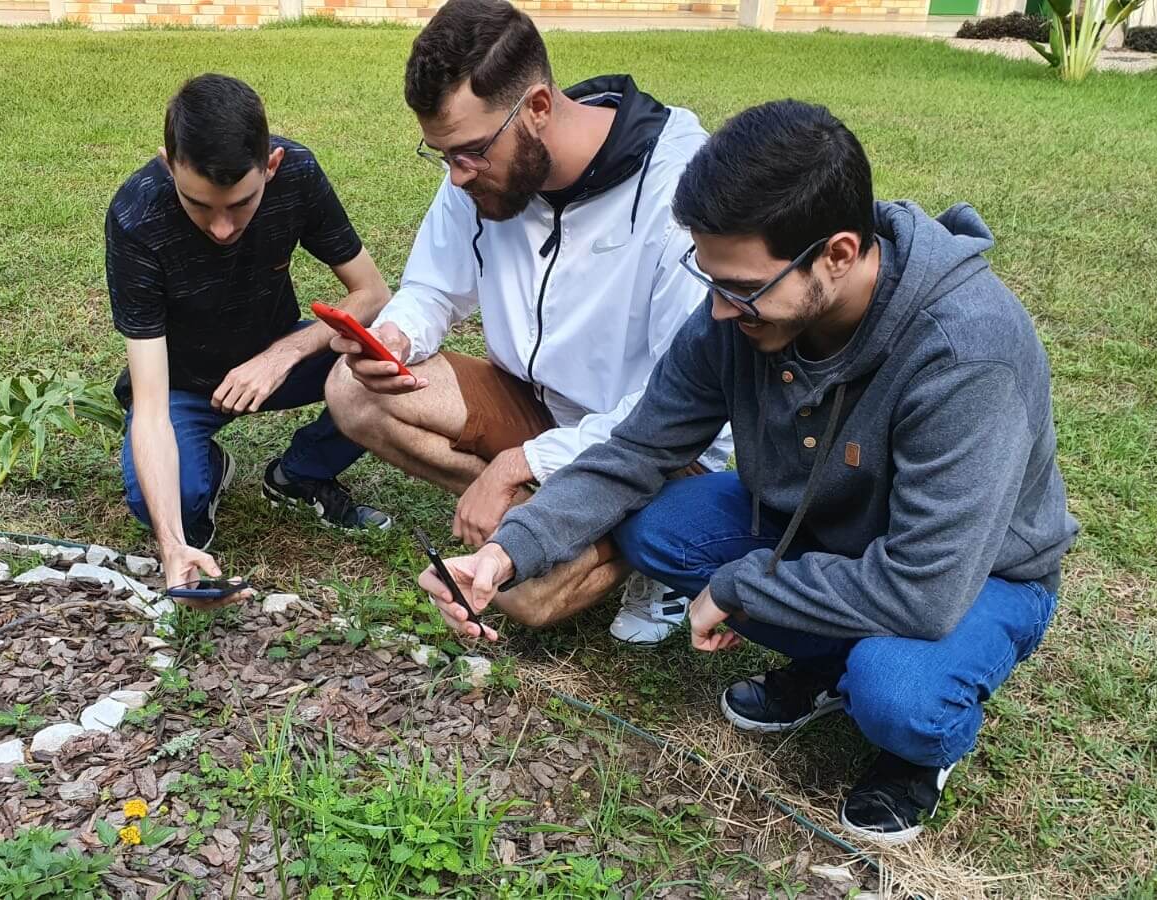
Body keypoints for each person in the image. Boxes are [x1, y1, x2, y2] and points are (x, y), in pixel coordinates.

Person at [419, 100, 1079, 844]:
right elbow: (637, 450)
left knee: (898, 694)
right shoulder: (739, 310)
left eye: (741, 289)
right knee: (659, 528)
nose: (720, 313)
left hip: (976, 574)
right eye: (710, 279)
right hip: (826, 526)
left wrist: (741, 585)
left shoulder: (966, 353)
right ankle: (834, 659)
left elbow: (924, 590)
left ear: (836, 254)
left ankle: (913, 751)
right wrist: (509, 551)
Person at [324, 0, 732, 644]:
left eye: (469, 153)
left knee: (527, 599)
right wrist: (398, 334)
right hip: (539, 404)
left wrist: (520, 461)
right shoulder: (486, 163)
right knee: (352, 390)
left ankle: (636, 542)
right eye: (444, 155)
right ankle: (547, 527)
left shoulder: (681, 189)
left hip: (660, 449)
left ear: (538, 107)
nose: (458, 176)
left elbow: (675, 412)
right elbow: (434, 285)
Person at [106, 74, 393, 592]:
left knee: (392, 362)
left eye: (241, 203)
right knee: (167, 508)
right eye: (199, 204)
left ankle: (301, 472)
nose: (221, 227)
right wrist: (172, 546)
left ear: (272, 166)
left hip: (278, 359)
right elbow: (150, 406)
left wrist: (281, 355)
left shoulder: (299, 173)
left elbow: (372, 294)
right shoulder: (137, 218)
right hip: (182, 384)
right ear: (168, 166)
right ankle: (207, 470)